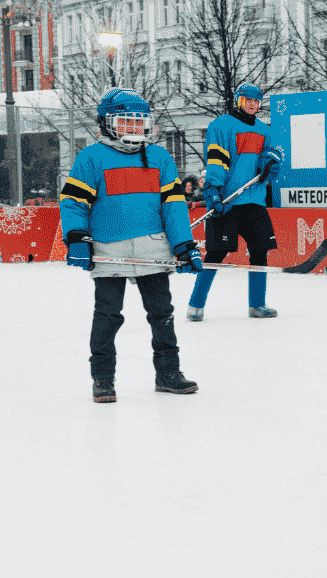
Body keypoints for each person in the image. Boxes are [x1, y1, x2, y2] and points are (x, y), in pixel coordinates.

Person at [58, 88, 204, 403]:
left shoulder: (160, 157)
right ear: (108, 123)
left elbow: (173, 206)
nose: (134, 128)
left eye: (139, 122)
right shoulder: (91, 157)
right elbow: (73, 203)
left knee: (162, 314)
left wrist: (183, 245)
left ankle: (168, 374)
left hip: (154, 249)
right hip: (109, 252)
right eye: (126, 122)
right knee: (107, 316)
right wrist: (77, 238)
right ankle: (103, 379)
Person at [186, 83, 284, 321]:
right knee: (216, 255)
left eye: (256, 101)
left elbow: (274, 156)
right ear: (238, 100)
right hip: (227, 201)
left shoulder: (264, 130)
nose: (252, 105)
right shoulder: (221, 125)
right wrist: (213, 193)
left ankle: (257, 304)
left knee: (260, 252)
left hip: (254, 200)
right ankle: (195, 306)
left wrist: (271, 162)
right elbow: (216, 161)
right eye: (247, 100)